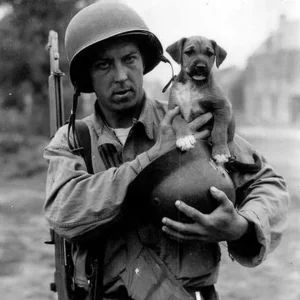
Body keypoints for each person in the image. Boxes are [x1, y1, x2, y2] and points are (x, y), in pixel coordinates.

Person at [44, 2, 289, 300]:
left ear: (143, 62)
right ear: (87, 77)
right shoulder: (72, 140)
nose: (121, 75)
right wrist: (153, 159)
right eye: (104, 64)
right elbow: (63, 212)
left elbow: (269, 184)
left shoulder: (191, 118)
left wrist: (240, 226)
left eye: (129, 59)